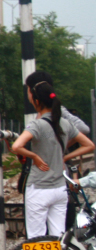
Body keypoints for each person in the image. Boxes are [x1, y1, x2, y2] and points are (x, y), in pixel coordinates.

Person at [11, 72, 95, 239]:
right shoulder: (64, 122)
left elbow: (16, 146)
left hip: (39, 187)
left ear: (35, 98)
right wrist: (61, 153)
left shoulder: (38, 123)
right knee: (59, 237)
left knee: (37, 238)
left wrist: (34, 156)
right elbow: (89, 144)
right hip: (59, 188)